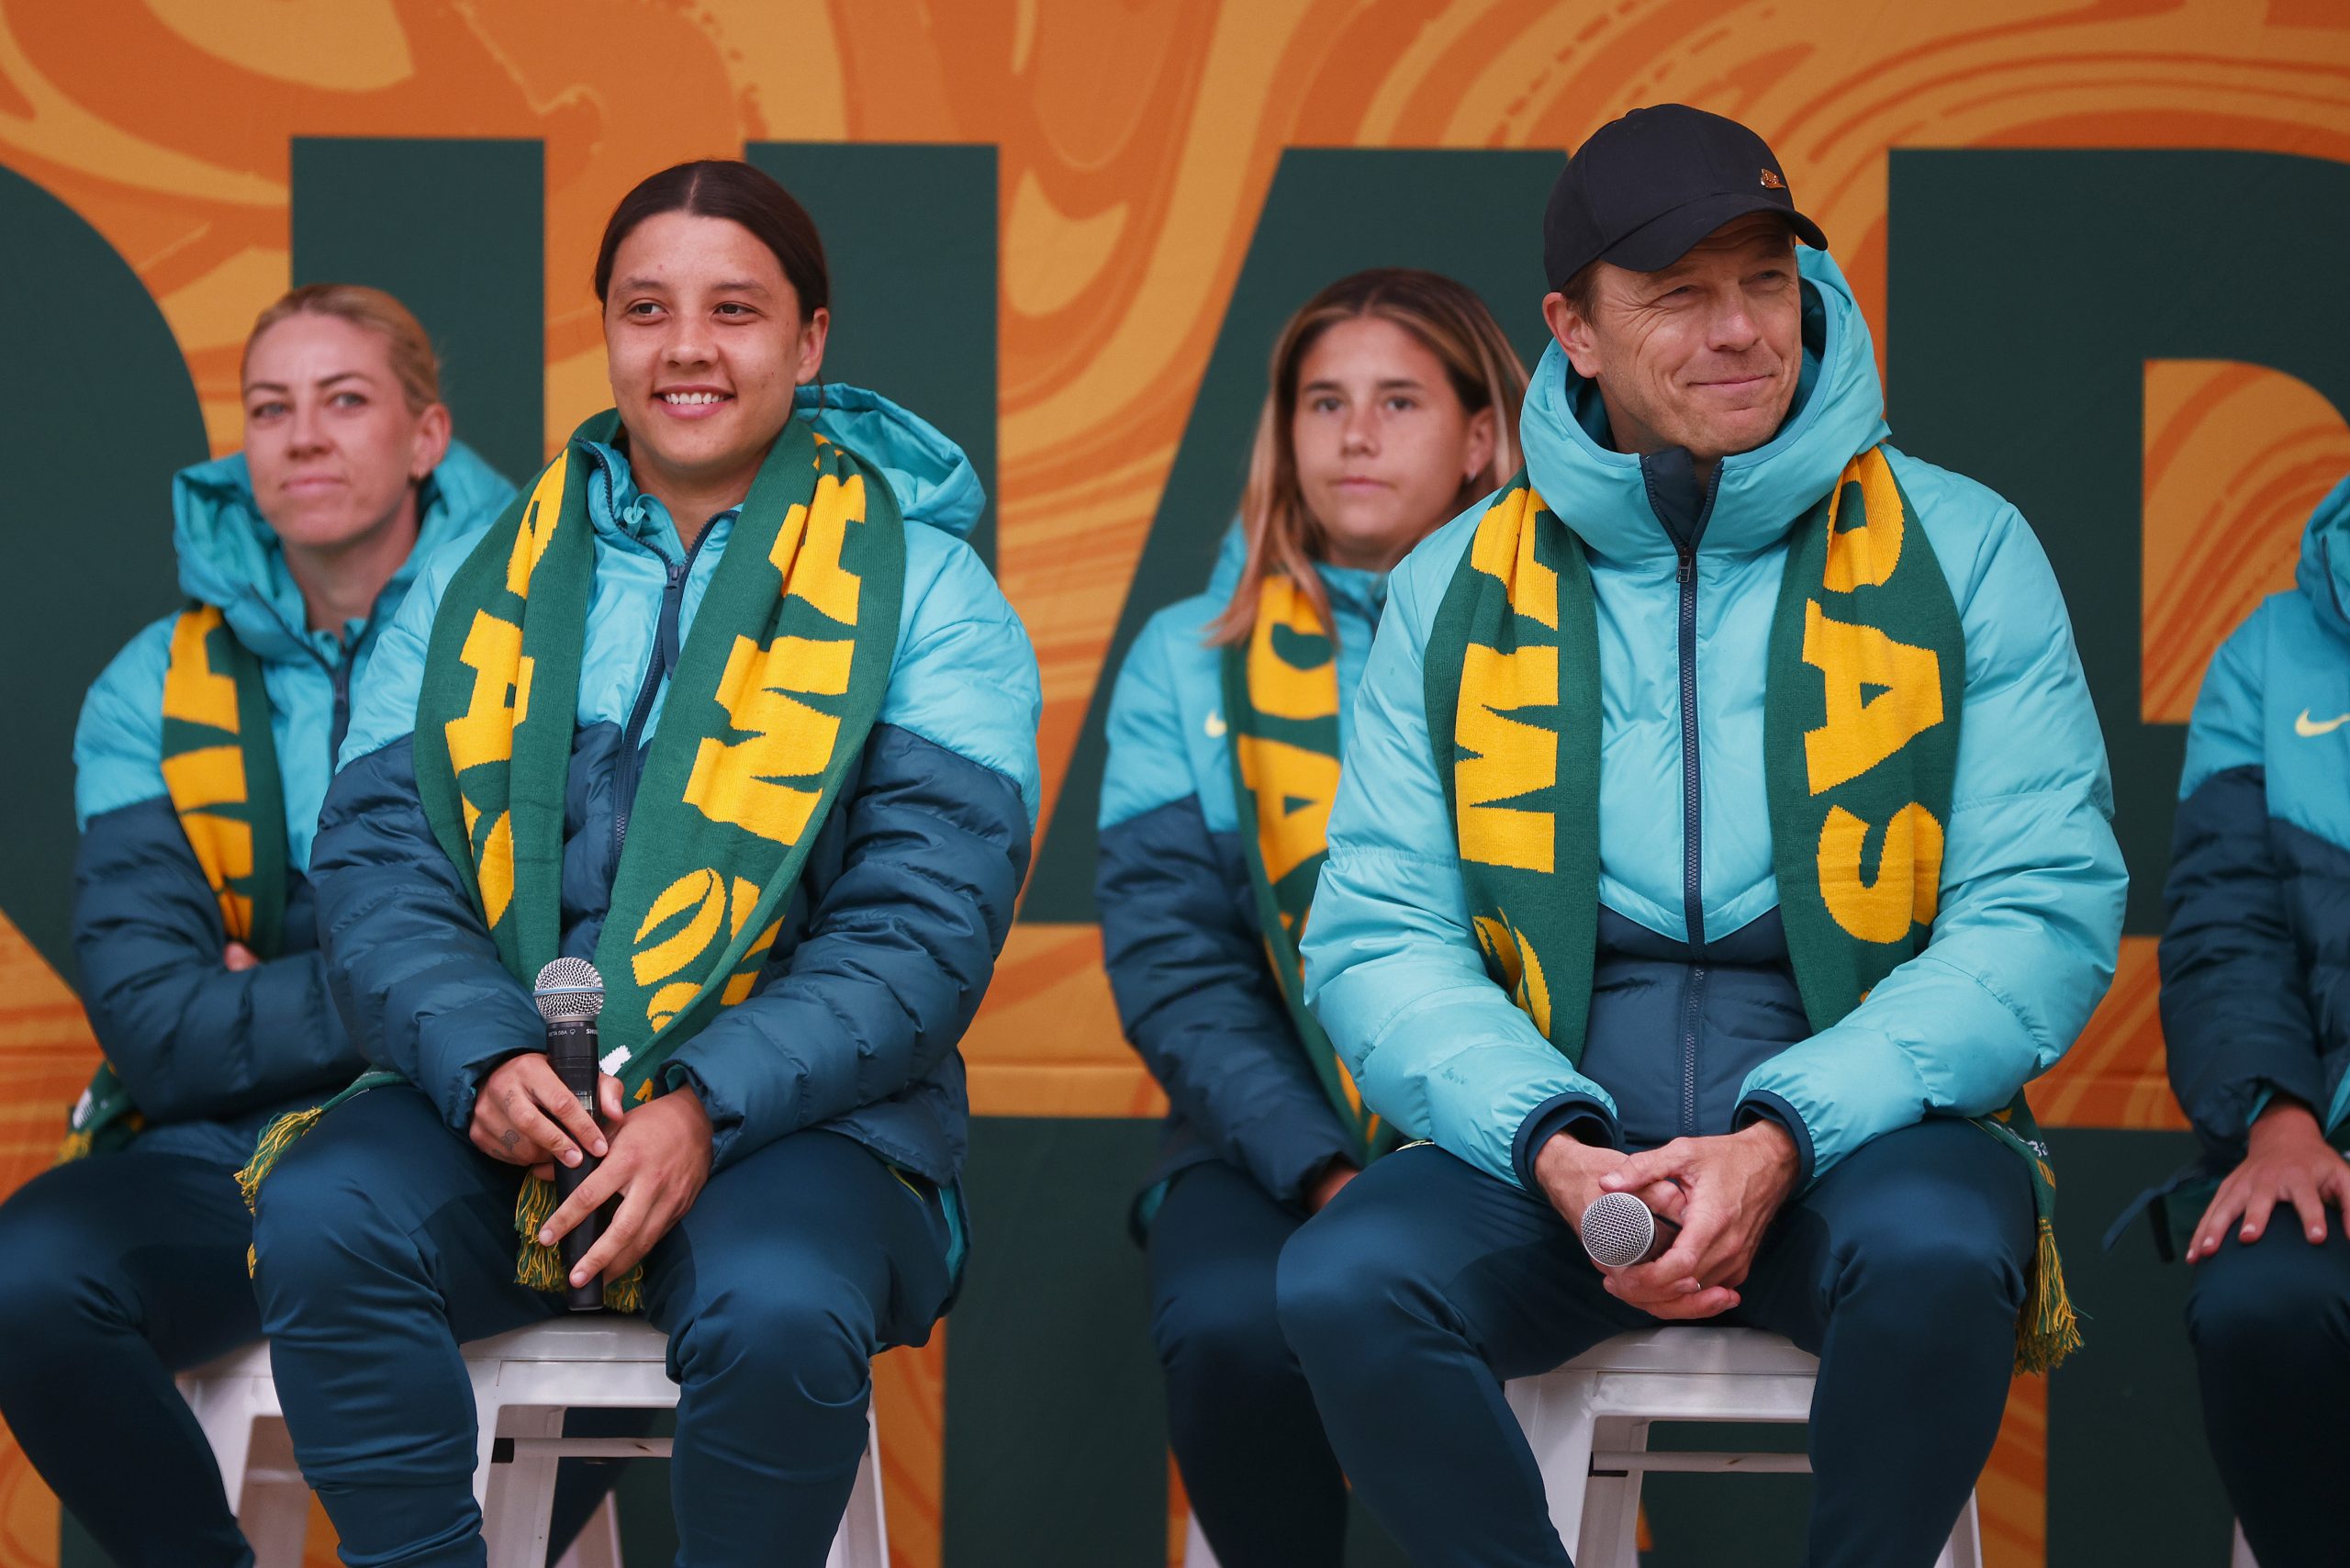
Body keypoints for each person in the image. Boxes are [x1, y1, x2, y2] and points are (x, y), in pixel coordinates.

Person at [1274, 104, 2125, 1566]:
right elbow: (1379, 934)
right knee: (1345, 1279)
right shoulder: (1457, 581)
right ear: (1576, 331)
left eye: (1767, 282)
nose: (1741, 331)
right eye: (1679, 295)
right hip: (1549, 1155)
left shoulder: (1962, 545)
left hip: (1860, 1141)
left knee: (1938, 1253)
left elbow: (2038, 909)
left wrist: (1785, 1136)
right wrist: (1552, 1149)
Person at [243, 159, 1038, 1567]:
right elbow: (379, 863)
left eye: (734, 309)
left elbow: (922, 933)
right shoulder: (471, 575)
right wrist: (487, 1062)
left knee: (782, 1304)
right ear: (602, 334)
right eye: (644, 307)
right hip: (513, 1105)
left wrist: (704, 1106)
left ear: (809, 342)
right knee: (325, 1208)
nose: (684, 347)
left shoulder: (926, 586)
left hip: (798, 1129)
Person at [0, 285, 513, 1568]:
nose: (301, 437)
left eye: (346, 400)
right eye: (271, 409)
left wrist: (280, 983)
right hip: (226, 1153)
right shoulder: (151, 688)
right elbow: (161, 1031)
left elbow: (574, 969)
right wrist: (420, 984)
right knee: (28, 1279)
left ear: (427, 433)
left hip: (477, 1146)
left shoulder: (541, 639)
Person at [1098, 269, 1526, 1567]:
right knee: (1229, 1319)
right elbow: (1177, 966)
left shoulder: (1578, 643)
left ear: (1482, 439)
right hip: (1265, 1142)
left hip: (1516, 1141)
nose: (1353, 433)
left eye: (1399, 400)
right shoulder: (1189, 656)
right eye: (1324, 401)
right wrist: (1325, 1168)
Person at [2157, 476, 2350, 1568]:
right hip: (2317, 1135)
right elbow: (2222, 933)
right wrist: (2279, 1119)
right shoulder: (2272, 653)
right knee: (2262, 1302)